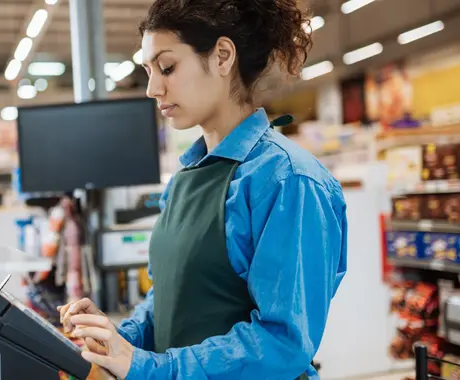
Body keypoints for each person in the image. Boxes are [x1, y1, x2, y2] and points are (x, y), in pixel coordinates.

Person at [57, 0, 348, 378]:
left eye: (167, 67)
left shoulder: (288, 181)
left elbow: (282, 343)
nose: (151, 88)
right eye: (148, 71)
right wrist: (118, 337)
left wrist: (152, 368)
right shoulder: (186, 179)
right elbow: (171, 297)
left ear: (223, 56)